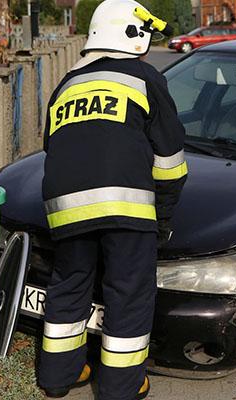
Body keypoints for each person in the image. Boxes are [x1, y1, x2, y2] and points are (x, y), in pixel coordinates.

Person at [36, 1, 186, 399]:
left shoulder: (67, 84)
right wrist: (163, 217)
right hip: (127, 208)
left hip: (66, 210)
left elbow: (52, 146)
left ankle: (58, 377)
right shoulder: (146, 78)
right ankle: (121, 387)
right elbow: (169, 160)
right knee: (129, 293)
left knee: (69, 285)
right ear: (133, 38)